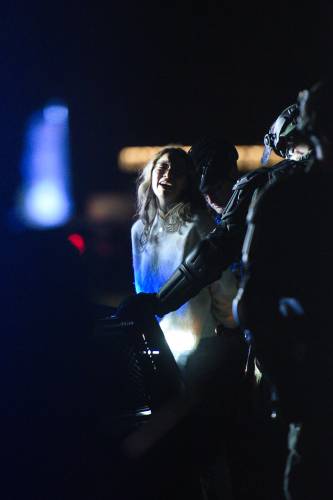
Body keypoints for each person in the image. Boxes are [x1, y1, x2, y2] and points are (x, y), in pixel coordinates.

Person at [233, 81, 333, 500]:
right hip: (316, 386)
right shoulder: (281, 197)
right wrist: (292, 389)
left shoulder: (282, 196)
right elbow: (252, 305)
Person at [131, 145, 237, 366]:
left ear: (187, 182)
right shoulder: (138, 229)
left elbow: (222, 284)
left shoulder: (199, 224)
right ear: (151, 172)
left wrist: (228, 325)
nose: (168, 175)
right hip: (152, 341)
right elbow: (142, 285)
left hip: (197, 346)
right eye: (163, 167)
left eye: (177, 171)